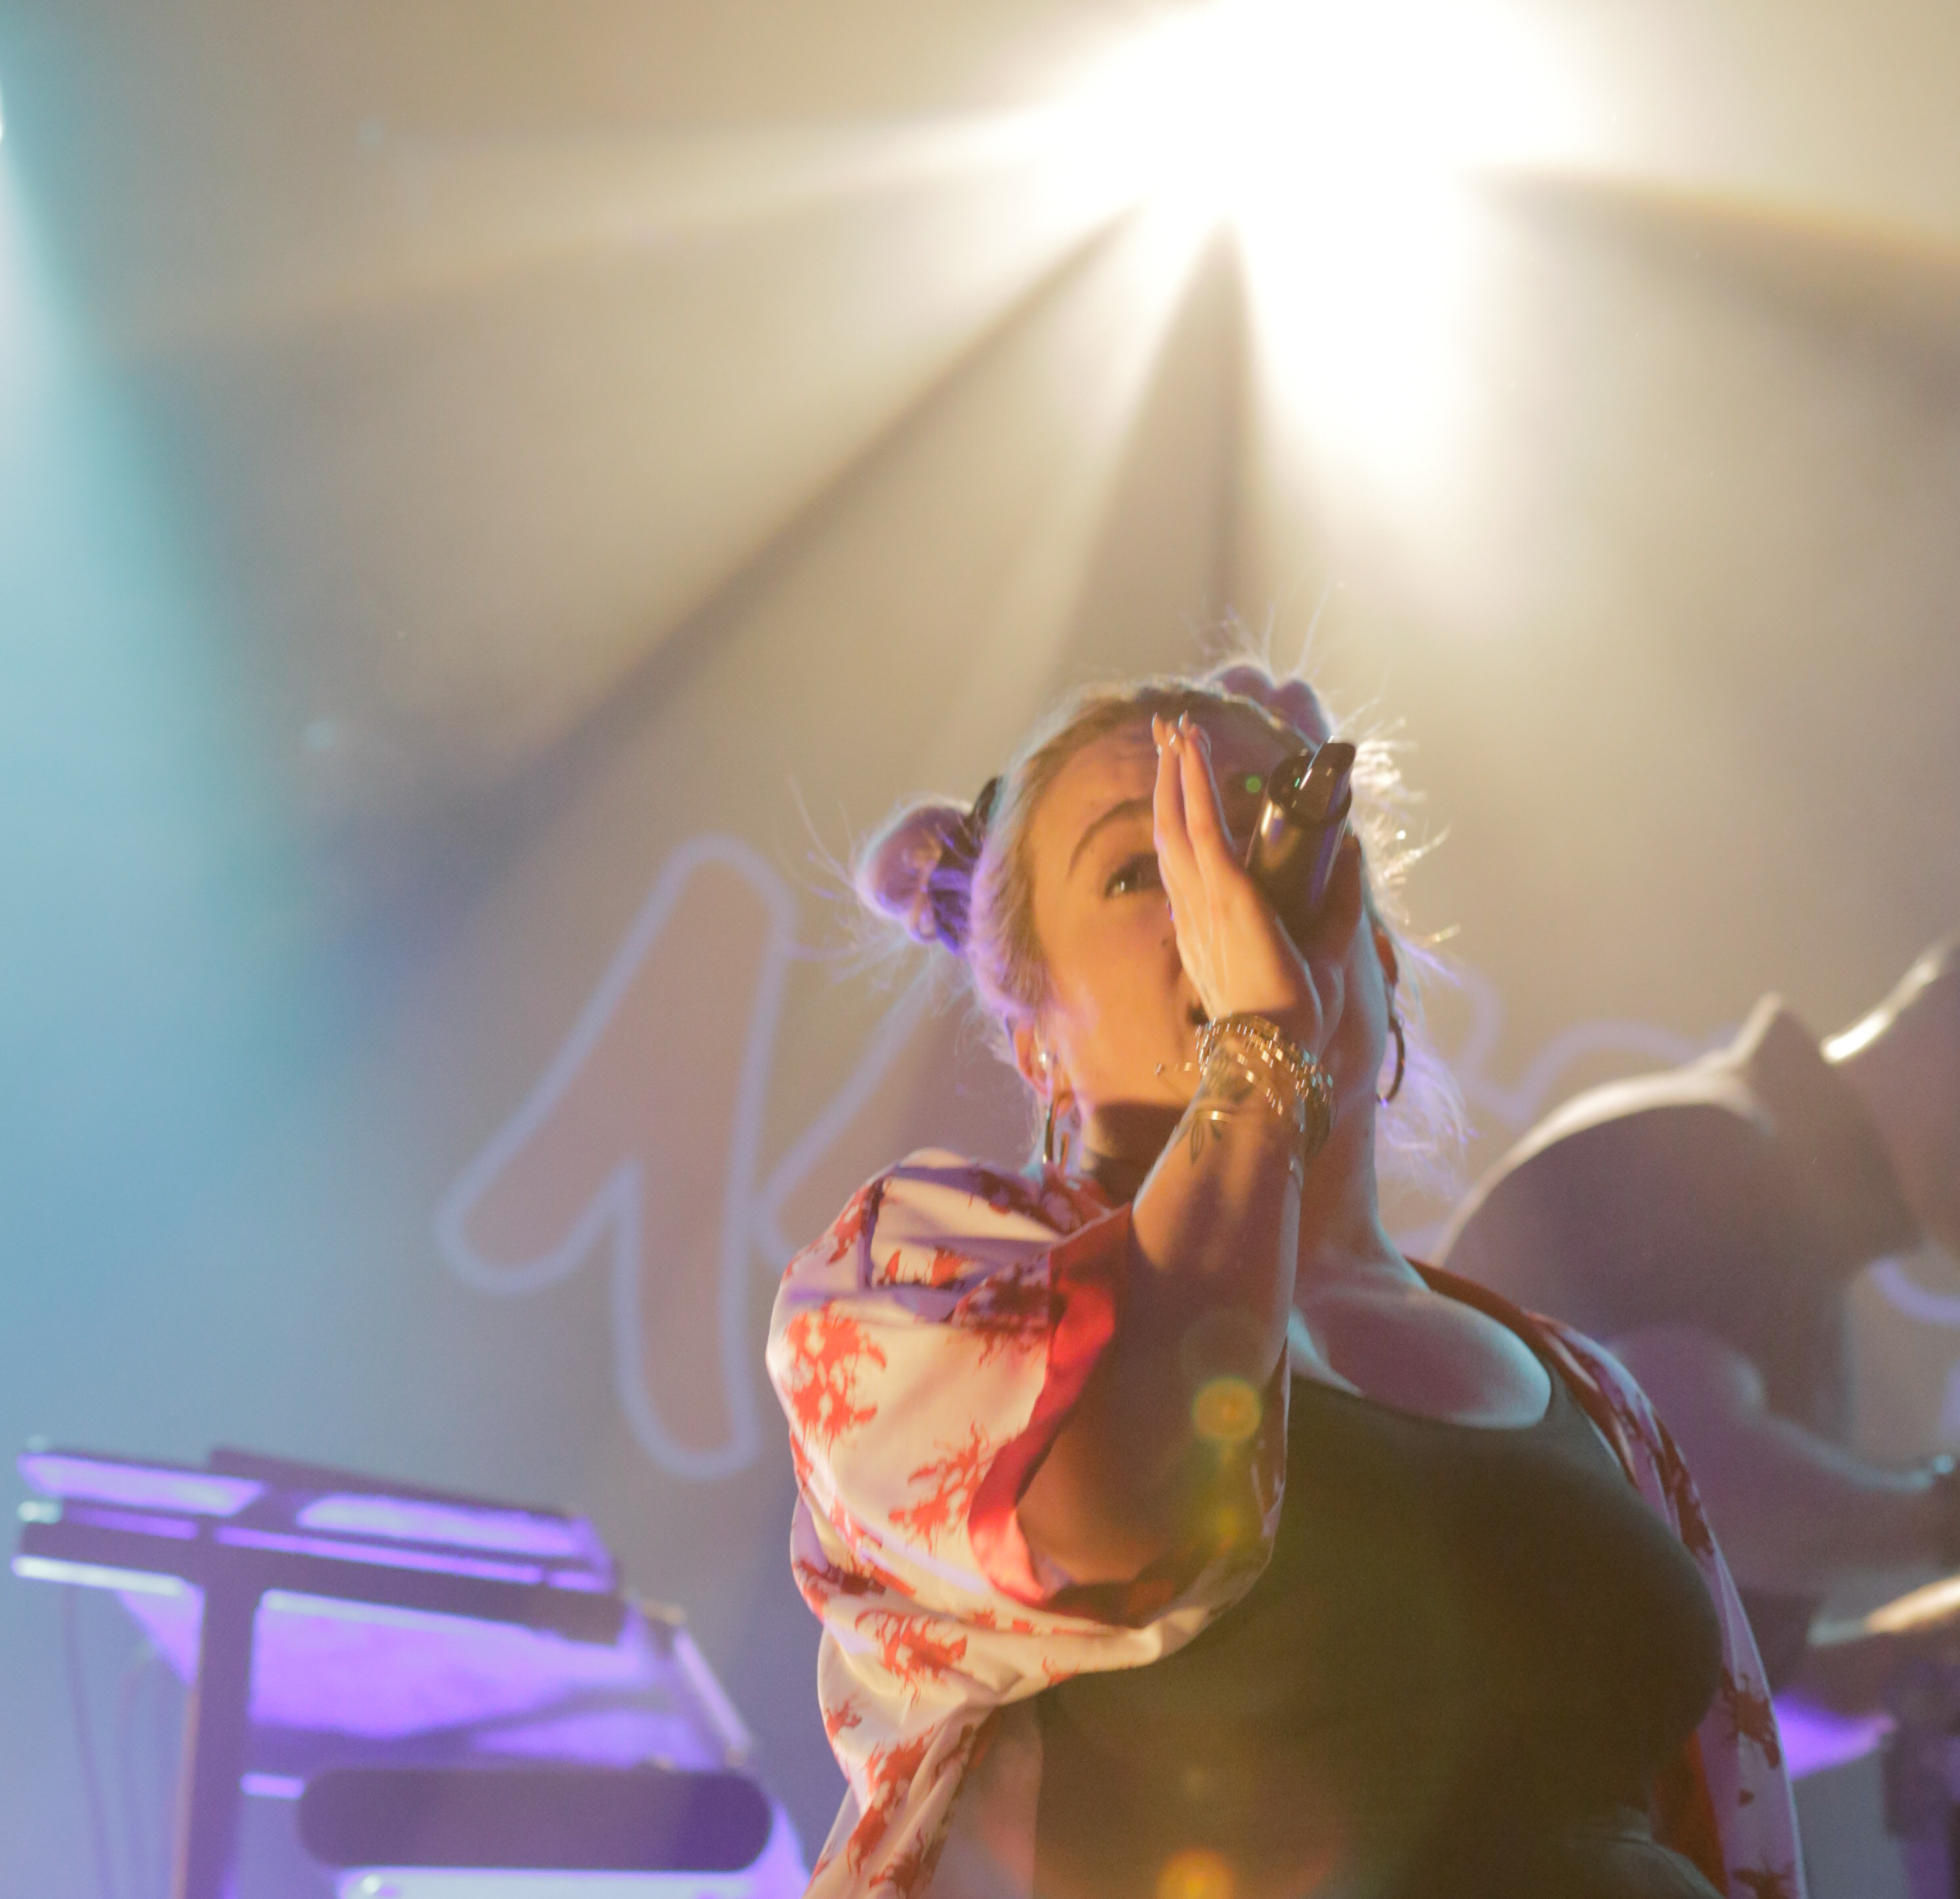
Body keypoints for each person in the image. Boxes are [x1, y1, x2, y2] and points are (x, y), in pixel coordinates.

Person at [770, 665, 1804, 1899]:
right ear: (1036, 1040)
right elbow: (1119, 1527)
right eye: (1140, 868)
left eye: (1260, 838)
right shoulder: (923, 1275)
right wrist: (1257, 1054)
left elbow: (1729, 1824)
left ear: (1376, 954)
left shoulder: (1586, 1388)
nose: (1223, 896)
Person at [1439, 905, 1960, 1732]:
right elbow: (1698, 1494)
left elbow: (1727, 1718)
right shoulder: (1710, 1154)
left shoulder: (1778, 1210)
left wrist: (1950, 1639)